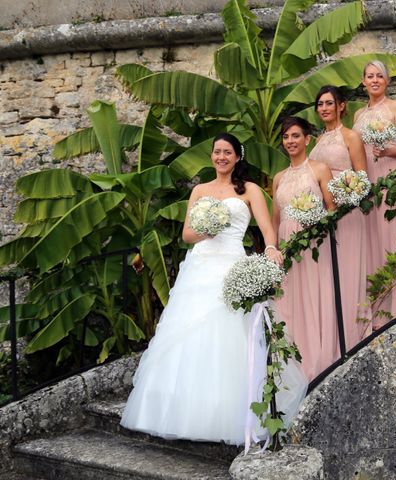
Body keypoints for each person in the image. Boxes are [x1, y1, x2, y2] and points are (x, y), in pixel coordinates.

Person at [120, 133, 306, 445]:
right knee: (188, 337)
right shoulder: (200, 190)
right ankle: (184, 410)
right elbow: (187, 235)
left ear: (237, 157)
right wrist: (208, 227)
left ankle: (230, 412)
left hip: (231, 265)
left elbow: (266, 229)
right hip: (199, 267)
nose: (221, 157)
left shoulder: (250, 190)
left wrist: (272, 248)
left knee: (229, 336)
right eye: (217, 152)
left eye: (227, 152)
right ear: (212, 156)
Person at [272, 116, 339, 380]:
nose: (290, 141)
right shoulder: (278, 178)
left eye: (296, 135)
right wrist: (275, 249)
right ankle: (293, 363)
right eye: (286, 136)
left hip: (314, 241)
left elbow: (332, 209)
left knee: (314, 294)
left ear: (307, 139)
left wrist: (315, 223)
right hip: (287, 244)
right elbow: (276, 218)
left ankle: (320, 359)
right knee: (289, 299)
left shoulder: (320, 169)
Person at [310, 85, 371, 349]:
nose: (324, 108)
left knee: (348, 270)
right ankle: (334, 333)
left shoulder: (351, 137)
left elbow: (363, 178)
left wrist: (343, 194)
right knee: (328, 274)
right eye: (320, 104)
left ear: (341, 106)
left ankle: (355, 332)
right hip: (323, 214)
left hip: (347, 211)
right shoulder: (316, 142)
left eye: (328, 103)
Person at [353, 61, 396, 325]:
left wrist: (386, 151)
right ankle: (375, 303)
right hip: (366, 179)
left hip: (390, 173)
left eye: (380, 76)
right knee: (370, 238)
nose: (374, 80)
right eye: (370, 76)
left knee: (391, 233)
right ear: (363, 82)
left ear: (387, 81)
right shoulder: (357, 116)